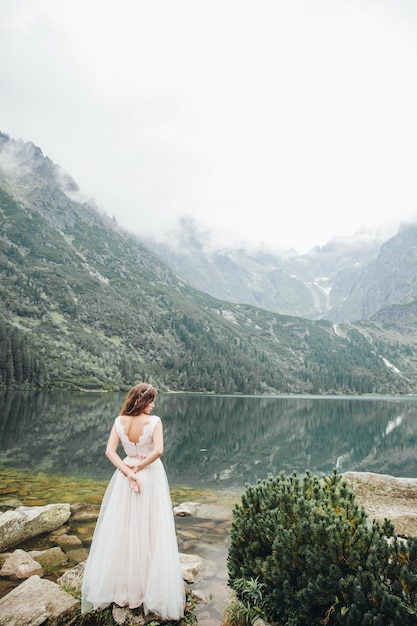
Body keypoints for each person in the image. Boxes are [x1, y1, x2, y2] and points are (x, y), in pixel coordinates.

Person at [81, 383, 185, 620]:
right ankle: (147, 585)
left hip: (125, 475)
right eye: (151, 401)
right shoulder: (155, 421)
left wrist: (127, 471)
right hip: (149, 475)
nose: (154, 405)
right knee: (150, 527)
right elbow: (158, 451)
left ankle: (123, 586)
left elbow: (110, 452)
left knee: (124, 528)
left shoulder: (119, 421)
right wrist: (139, 467)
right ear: (142, 401)